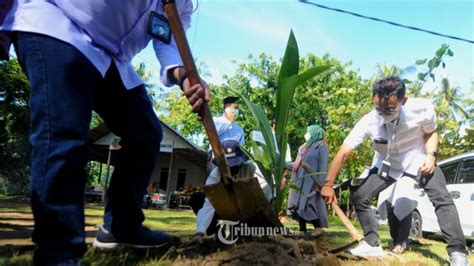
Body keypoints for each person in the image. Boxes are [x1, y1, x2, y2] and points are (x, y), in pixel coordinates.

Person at [1, 1, 210, 264]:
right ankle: (58, 250)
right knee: (64, 136)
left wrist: (184, 76)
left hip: (113, 58)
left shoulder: (183, 4)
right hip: (58, 26)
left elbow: (168, 40)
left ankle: (120, 227)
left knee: (144, 135)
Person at [320, 77, 468, 264]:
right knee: (359, 196)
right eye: (378, 107)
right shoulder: (369, 121)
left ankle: (458, 253)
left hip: (418, 159)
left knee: (442, 198)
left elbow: (431, 132)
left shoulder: (421, 109)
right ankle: (373, 244)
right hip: (388, 165)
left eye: (389, 109)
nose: (382, 113)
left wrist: (431, 155)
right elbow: (343, 152)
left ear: (403, 101)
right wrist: (328, 184)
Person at [188, 139, 273, 244]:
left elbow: (266, 192)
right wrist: (199, 232)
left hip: (250, 210)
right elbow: (208, 204)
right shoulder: (216, 175)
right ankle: (217, 231)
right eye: (229, 165)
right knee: (197, 198)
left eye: (235, 164)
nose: (232, 167)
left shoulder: (252, 169)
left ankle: (247, 230)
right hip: (226, 209)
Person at [287, 125, 328, 237]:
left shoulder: (322, 147)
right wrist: (283, 164)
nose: (307, 134)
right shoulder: (304, 148)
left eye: (308, 132)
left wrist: (321, 183)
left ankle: (318, 226)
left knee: (306, 204)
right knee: (298, 203)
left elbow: (323, 166)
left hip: (312, 181)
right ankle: (302, 230)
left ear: (315, 133)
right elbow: (296, 164)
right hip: (300, 180)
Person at [207, 96, 245, 172]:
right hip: (216, 158)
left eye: (238, 108)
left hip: (233, 161)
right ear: (227, 109)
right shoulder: (215, 120)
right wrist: (229, 122)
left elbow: (241, 147)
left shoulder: (239, 129)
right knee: (213, 182)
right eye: (235, 107)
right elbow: (212, 134)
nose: (237, 110)